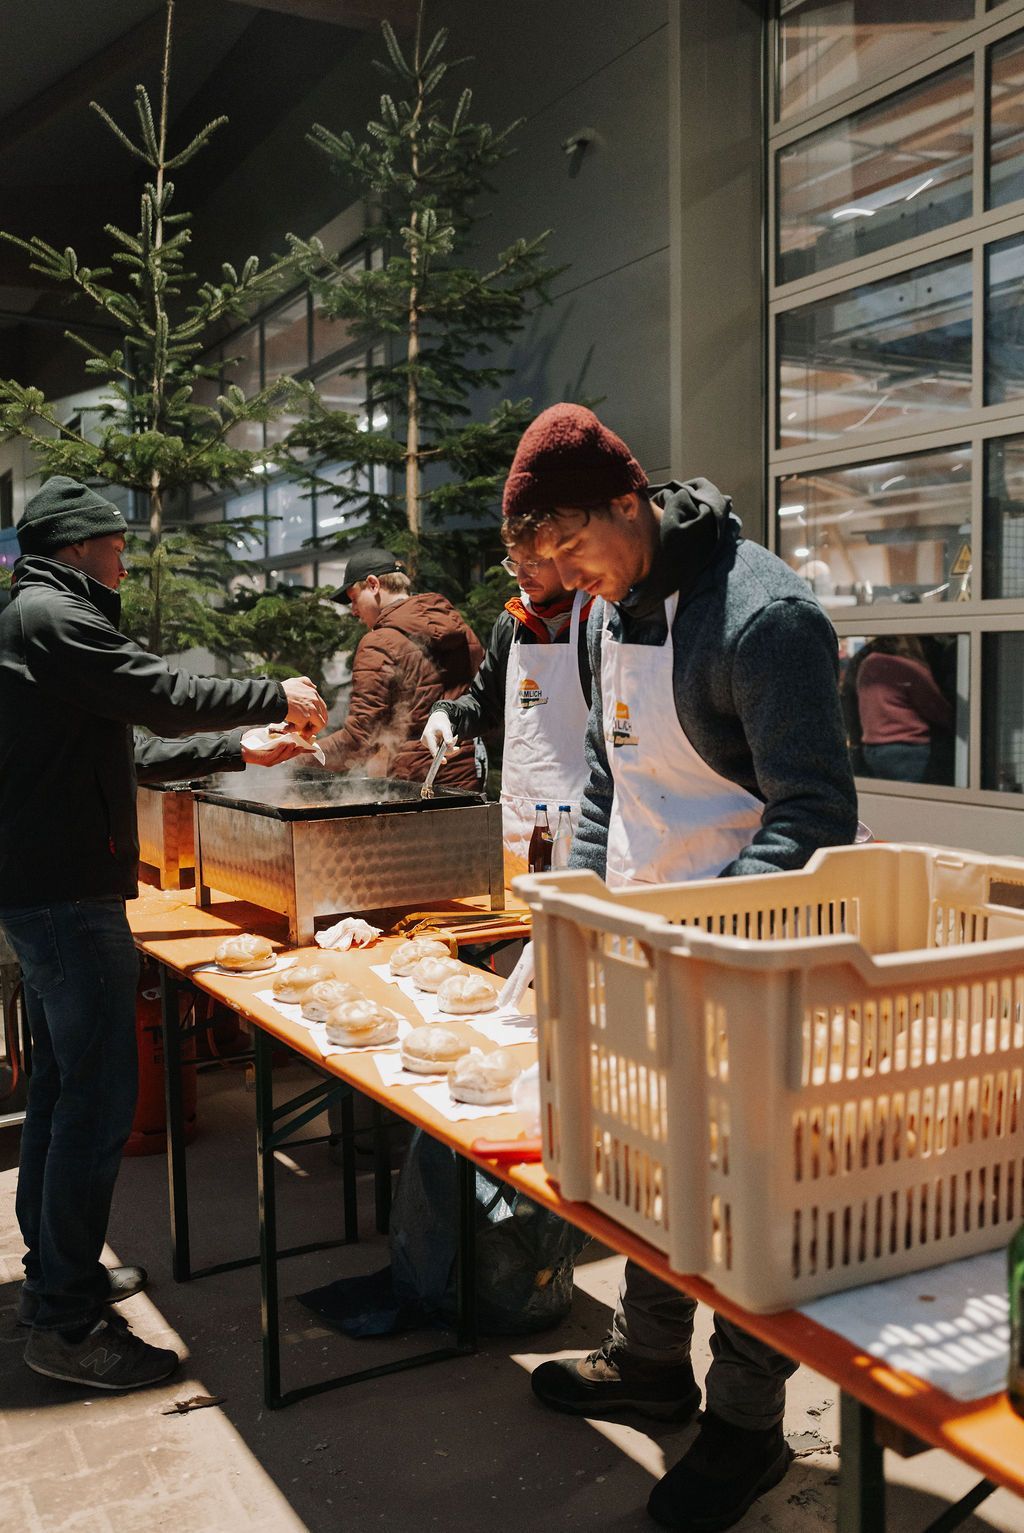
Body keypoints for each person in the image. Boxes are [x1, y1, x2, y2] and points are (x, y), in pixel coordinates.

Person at [501, 405, 859, 1533]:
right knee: (649, 1167)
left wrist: (699, 930)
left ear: (628, 502)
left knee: (745, 1192)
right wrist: (595, 902)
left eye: (569, 548)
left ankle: (747, 1425)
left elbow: (815, 810)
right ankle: (647, 1361)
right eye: (536, 560)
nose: (560, 578)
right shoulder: (611, 610)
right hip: (651, 940)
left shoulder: (765, 616)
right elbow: (615, 777)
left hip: (753, 952)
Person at [0, 476, 328, 1392]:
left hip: (55, 894)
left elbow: (133, 750)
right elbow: (158, 694)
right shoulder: (47, 616)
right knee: (98, 1100)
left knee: (67, 1091)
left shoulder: (45, 624)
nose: (123, 558)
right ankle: (64, 1321)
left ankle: (58, 1275)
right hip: (65, 900)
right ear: (74, 548)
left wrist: (245, 746)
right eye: (112, 544)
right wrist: (276, 689)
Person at [420, 535, 593, 870]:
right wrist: (445, 715)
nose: (522, 575)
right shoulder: (511, 623)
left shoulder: (597, 620)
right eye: (515, 563)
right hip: (521, 818)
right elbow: (484, 703)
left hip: (587, 820)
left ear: (566, 558)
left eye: (533, 563)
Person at [318, 547, 483, 790]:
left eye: (354, 599)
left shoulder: (379, 641)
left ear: (373, 585)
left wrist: (295, 755)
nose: (354, 611)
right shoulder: (460, 627)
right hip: (470, 770)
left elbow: (359, 739)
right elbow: (484, 703)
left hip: (418, 781)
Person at [853, 634, 955, 783]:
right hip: (908, 748)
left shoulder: (868, 664)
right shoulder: (909, 668)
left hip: (872, 748)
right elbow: (937, 710)